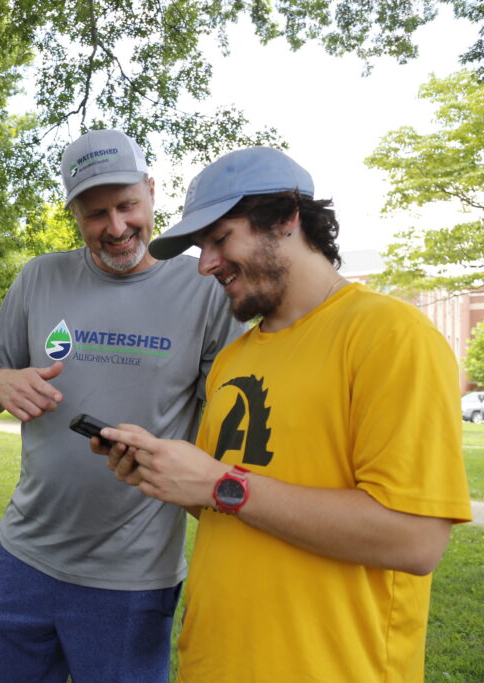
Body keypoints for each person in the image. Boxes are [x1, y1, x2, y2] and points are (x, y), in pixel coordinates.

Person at [97, 146, 473, 681]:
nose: (205, 264)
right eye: (202, 247)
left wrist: (220, 484)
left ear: (286, 218)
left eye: (220, 239)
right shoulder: (232, 359)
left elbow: (414, 540)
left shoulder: (391, 336)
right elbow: (232, 506)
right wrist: (168, 473)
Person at [0, 129, 245, 683]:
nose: (115, 227)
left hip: (132, 581)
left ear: (152, 191)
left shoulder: (206, 289)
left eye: (127, 205)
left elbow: (227, 429)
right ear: (74, 214)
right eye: (95, 214)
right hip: (22, 560)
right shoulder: (40, 277)